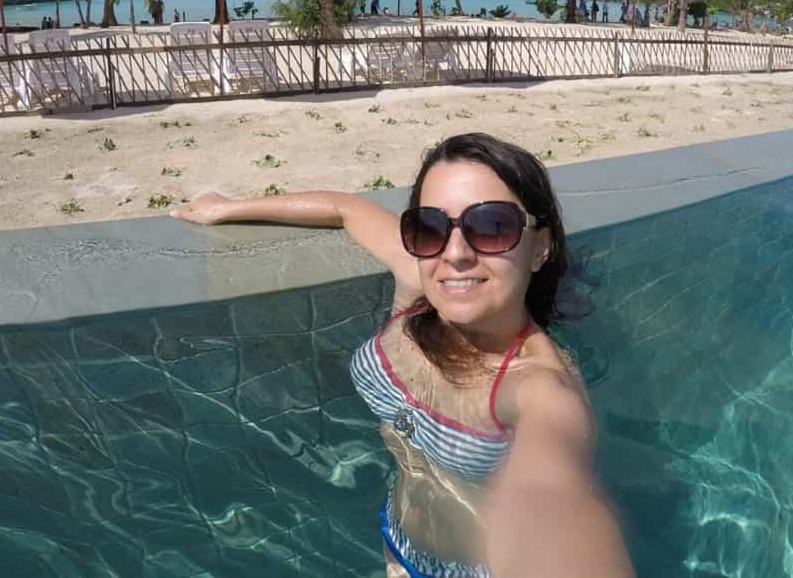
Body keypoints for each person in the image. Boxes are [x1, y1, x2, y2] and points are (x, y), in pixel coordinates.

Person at [173, 134, 635, 578]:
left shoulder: (540, 390)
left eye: (493, 226)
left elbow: (555, 499)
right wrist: (228, 207)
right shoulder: (421, 274)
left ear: (540, 246)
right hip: (398, 542)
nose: (455, 253)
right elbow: (345, 208)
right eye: (430, 225)